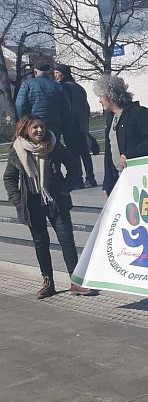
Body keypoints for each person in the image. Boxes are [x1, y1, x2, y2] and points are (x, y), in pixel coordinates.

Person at [3, 116, 92, 298]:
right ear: (25, 130)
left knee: (66, 239)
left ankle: (76, 282)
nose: (39, 131)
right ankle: (48, 283)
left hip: (55, 201)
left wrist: (66, 188)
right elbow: (9, 178)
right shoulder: (17, 150)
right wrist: (18, 201)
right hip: (32, 203)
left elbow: (74, 167)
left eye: (42, 126)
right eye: (35, 127)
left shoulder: (53, 144)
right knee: (40, 243)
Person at [96, 75, 148, 195]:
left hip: (143, 178)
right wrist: (108, 184)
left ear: (110, 96)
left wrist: (130, 154)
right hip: (120, 178)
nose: (100, 100)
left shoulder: (139, 113)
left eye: (101, 96)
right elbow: (109, 151)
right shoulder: (111, 119)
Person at [53, 64, 97, 188]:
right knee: (85, 153)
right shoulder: (79, 87)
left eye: (57, 73)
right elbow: (86, 107)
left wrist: (64, 121)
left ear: (64, 74)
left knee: (74, 153)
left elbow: (66, 107)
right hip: (82, 125)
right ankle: (90, 178)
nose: (55, 75)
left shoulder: (63, 87)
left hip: (70, 125)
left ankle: (78, 179)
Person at [15, 59, 72, 142]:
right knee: (53, 149)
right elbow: (67, 107)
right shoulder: (58, 86)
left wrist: (25, 121)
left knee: (36, 150)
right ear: (48, 72)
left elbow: (20, 105)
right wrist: (61, 120)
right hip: (55, 124)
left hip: (34, 125)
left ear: (35, 72)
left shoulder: (27, 84)